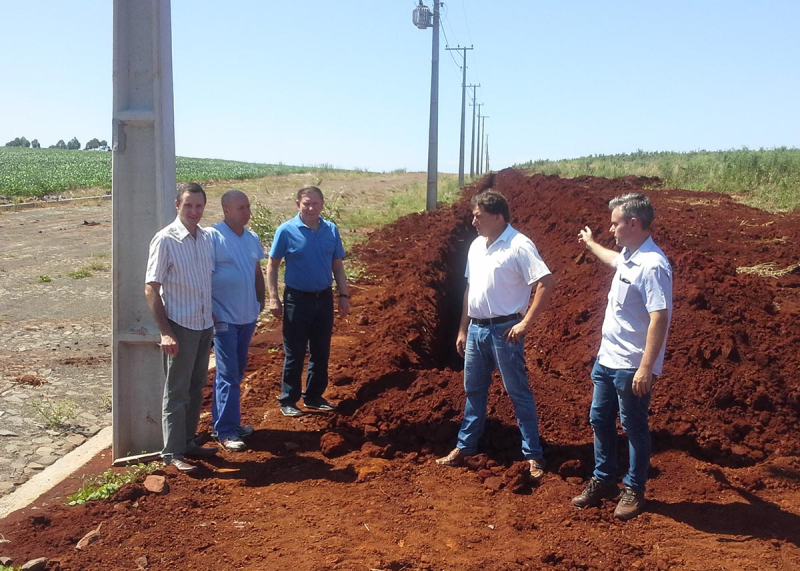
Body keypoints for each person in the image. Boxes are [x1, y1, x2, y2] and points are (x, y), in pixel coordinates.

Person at [436, 189, 556, 481]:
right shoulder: (476, 246)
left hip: (506, 330)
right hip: (477, 328)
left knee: (518, 393)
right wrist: (463, 328)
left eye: (479, 216)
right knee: (474, 390)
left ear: (498, 216)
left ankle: (533, 455)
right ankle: (465, 447)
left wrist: (526, 322)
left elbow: (545, 282)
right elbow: (470, 289)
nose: (474, 222)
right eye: (473, 216)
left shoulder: (519, 245)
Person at [573, 193, 673, 520]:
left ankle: (634, 488)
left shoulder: (654, 265)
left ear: (633, 223)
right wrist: (589, 243)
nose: (611, 228)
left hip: (632, 365)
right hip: (607, 360)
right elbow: (611, 258)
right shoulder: (630, 255)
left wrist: (647, 367)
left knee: (633, 426)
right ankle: (603, 478)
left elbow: (660, 316)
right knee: (599, 419)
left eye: (615, 223)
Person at [145, 182, 218, 473]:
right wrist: (165, 331)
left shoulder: (205, 238)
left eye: (199, 206)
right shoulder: (165, 240)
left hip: (203, 325)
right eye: (188, 205)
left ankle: (188, 442)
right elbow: (151, 288)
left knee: (196, 387)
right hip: (180, 326)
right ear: (177, 205)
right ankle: (172, 453)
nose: (194, 211)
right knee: (176, 391)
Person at [267, 185, 350, 417]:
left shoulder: (331, 230)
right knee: (295, 351)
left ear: (322, 204)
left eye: (315, 203)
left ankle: (313, 396)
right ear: (298, 204)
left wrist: (343, 296)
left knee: (321, 350)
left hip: (323, 298)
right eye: (306, 203)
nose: (311, 208)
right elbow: (272, 264)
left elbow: (338, 266)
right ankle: (288, 400)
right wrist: (273, 297)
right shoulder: (286, 230)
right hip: (297, 299)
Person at [209, 190, 266, 452]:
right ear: (227, 210)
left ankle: (225, 423)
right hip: (224, 318)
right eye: (241, 208)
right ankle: (226, 431)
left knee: (237, 371)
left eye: (248, 206)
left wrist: (260, 300)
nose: (247, 212)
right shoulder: (213, 237)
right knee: (228, 373)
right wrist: (208, 308)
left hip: (247, 315)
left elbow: (256, 271)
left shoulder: (252, 238)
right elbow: (203, 275)